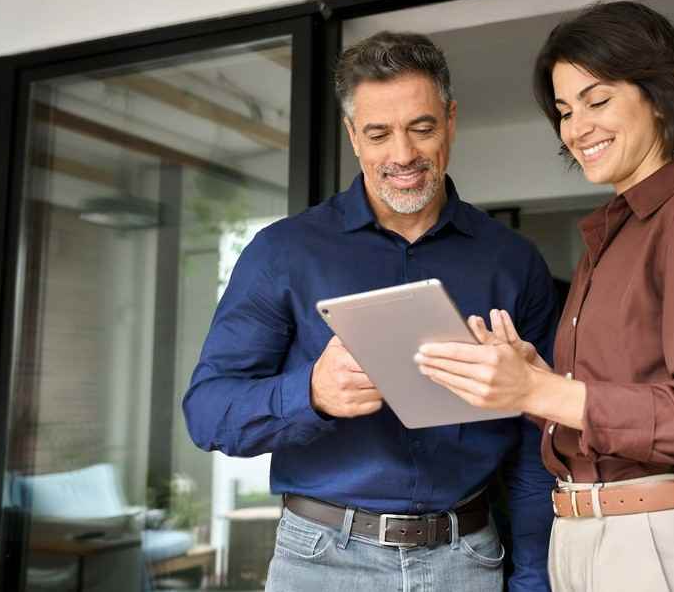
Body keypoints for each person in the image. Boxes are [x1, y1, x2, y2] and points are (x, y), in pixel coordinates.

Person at [416, 1, 674, 591]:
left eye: (597, 100)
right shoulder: (611, 235)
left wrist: (547, 389)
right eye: (563, 110)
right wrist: (531, 383)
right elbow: (604, 405)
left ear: (658, 96)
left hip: (654, 536)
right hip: (583, 531)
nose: (576, 127)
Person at [183, 31, 558, 592]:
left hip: (469, 561)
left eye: (422, 128)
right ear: (352, 136)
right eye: (379, 134)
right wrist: (310, 393)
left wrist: (532, 579)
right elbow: (207, 413)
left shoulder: (512, 261)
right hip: (319, 562)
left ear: (451, 120)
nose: (402, 155)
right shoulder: (283, 253)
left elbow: (536, 441)